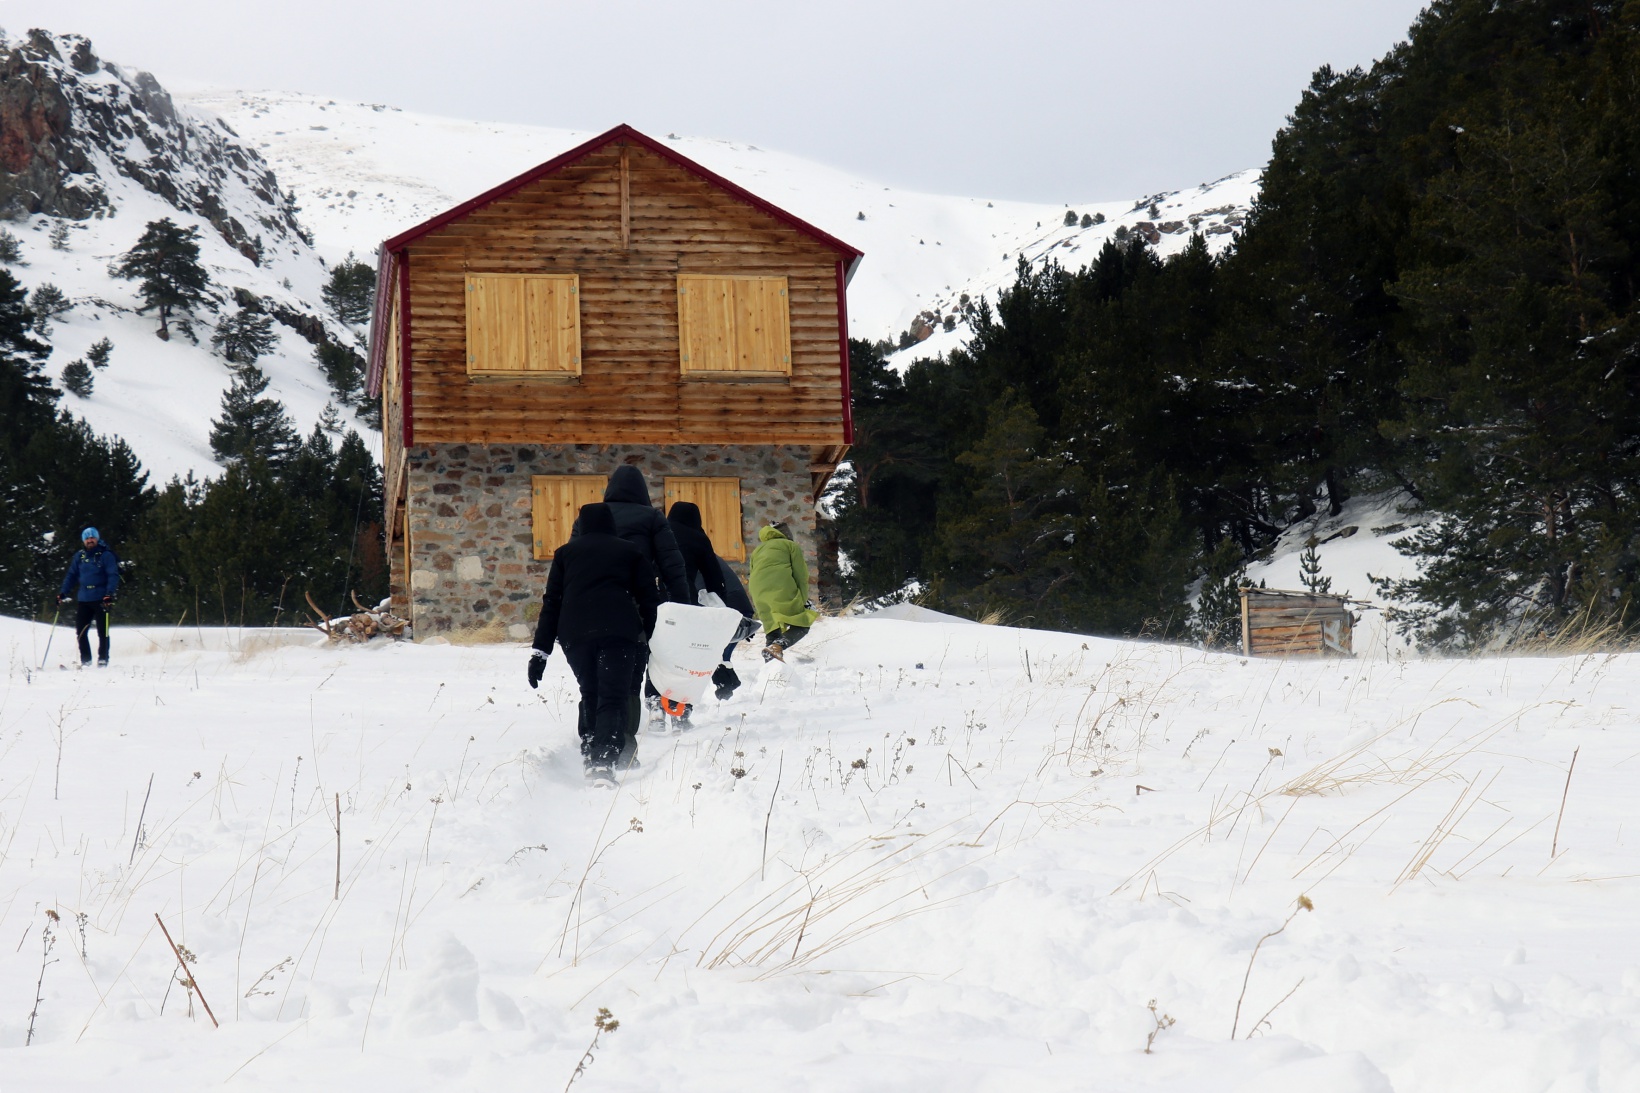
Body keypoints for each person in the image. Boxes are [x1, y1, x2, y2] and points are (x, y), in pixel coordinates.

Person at [527, 503, 660, 782]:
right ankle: (603, 760)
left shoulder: (565, 554)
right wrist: (652, 635)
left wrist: (540, 652)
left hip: (575, 633)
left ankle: (590, 750)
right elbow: (648, 597)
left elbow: (552, 602)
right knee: (612, 695)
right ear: (610, 524)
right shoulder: (630, 551)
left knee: (590, 691)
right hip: (619, 630)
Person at [583, 466, 691, 736]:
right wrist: (681, 605)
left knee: (593, 676)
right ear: (643, 491)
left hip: (591, 603)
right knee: (631, 673)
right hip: (636, 603)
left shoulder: (591, 515)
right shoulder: (651, 517)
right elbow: (672, 564)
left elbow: (574, 557)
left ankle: (593, 737)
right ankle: (624, 739)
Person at [666, 501, 756, 707]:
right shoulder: (701, 544)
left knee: (703, 654)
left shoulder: (677, 550)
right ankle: (725, 682)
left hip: (722, 609)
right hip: (733, 609)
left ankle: (721, 684)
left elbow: (703, 590)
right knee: (715, 653)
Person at [748, 523, 819, 661]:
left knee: (772, 628)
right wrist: (802, 601)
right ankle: (777, 646)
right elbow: (801, 576)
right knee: (802, 624)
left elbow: (753, 573)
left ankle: (771, 668)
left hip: (758, 592)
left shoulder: (757, 550)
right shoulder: (790, 546)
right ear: (787, 535)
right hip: (780, 588)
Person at [58, 527, 119, 668]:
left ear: (97, 539)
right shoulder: (80, 556)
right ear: (83, 541)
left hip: (101, 598)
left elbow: (112, 575)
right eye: (87, 538)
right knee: (81, 631)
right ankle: (86, 660)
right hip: (84, 599)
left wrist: (109, 594)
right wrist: (63, 593)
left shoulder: (106, 555)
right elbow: (71, 576)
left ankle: (103, 659)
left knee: (102, 631)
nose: (90, 540)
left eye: (92, 538)